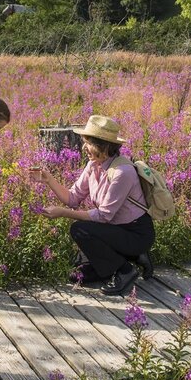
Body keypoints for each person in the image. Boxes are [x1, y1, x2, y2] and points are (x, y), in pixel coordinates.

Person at [29, 115, 155, 296]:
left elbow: (104, 216)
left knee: (80, 229)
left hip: (135, 233)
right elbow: (73, 198)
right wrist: (49, 179)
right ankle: (133, 257)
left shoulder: (123, 172)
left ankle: (125, 270)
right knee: (78, 275)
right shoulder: (93, 165)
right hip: (115, 230)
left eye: (87, 142)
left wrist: (63, 213)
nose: (83, 147)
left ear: (101, 145)